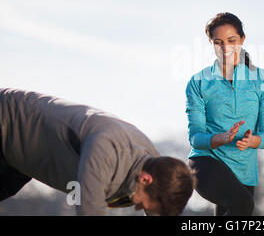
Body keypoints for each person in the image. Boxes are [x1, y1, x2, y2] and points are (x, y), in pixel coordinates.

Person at [0, 88, 195, 216]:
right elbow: (90, 209)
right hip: (6, 120)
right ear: (145, 179)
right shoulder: (106, 147)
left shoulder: (157, 169)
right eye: (144, 204)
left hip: (21, 157)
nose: (139, 208)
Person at [185, 12, 264, 216]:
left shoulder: (262, 79)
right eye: (218, 42)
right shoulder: (198, 82)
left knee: (238, 210)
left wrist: (253, 141)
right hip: (207, 162)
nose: (225, 48)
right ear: (211, 43)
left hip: (244, 171)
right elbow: (195, 138)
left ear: (242, 39)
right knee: (242, 204)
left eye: (231, 40)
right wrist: (220, 138)